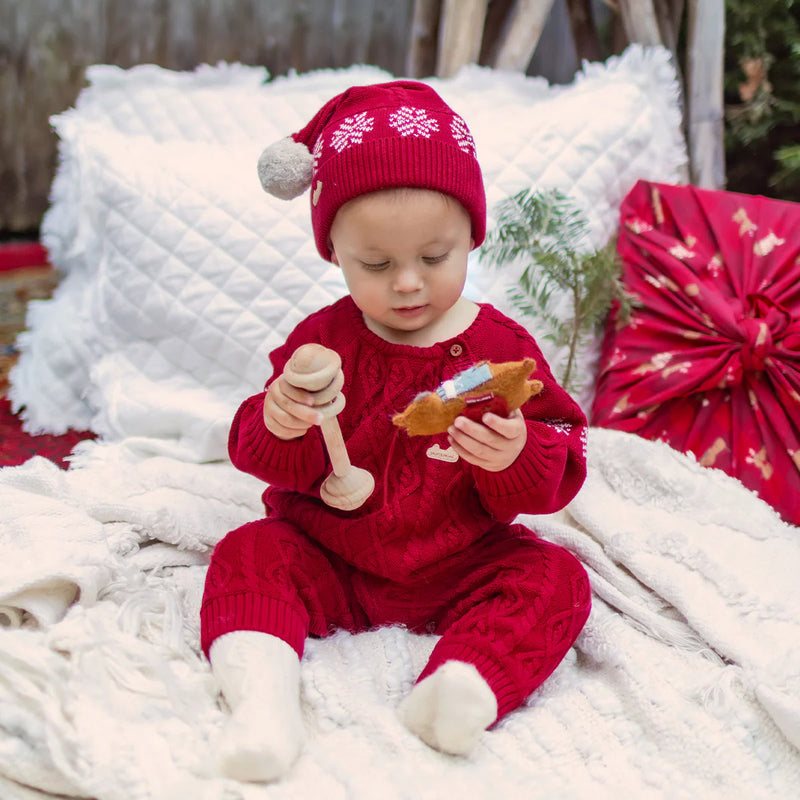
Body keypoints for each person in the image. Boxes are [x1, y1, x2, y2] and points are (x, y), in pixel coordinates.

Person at [200, 80, 591, 783]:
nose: (407, 283)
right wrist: (281, 419)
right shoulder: (321, 341)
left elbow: (562, 461)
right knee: (250, 550)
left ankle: (462, 686)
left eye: (434, 258)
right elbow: (256, 452)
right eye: (375, 265)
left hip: (460, 562)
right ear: (335, 253)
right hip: (332, 555)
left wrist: (518, 454)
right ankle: (261, 702)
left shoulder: (501, 350)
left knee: (554, 575)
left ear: (473, 234)